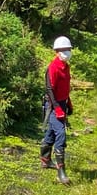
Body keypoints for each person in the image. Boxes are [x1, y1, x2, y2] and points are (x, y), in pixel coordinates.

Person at [40, 35, 74, 185]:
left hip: (62, 102)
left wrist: (68, 103)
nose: (67, 52)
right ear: (57, 52)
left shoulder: (66, 67)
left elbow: (65, 87)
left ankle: (45, 160)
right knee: (60, 134)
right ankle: (61, 171)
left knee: (52, 132)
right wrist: (57, 107)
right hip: (53, 105)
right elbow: (49, 89)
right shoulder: (52, 67)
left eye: (68, 49)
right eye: (64, 50)